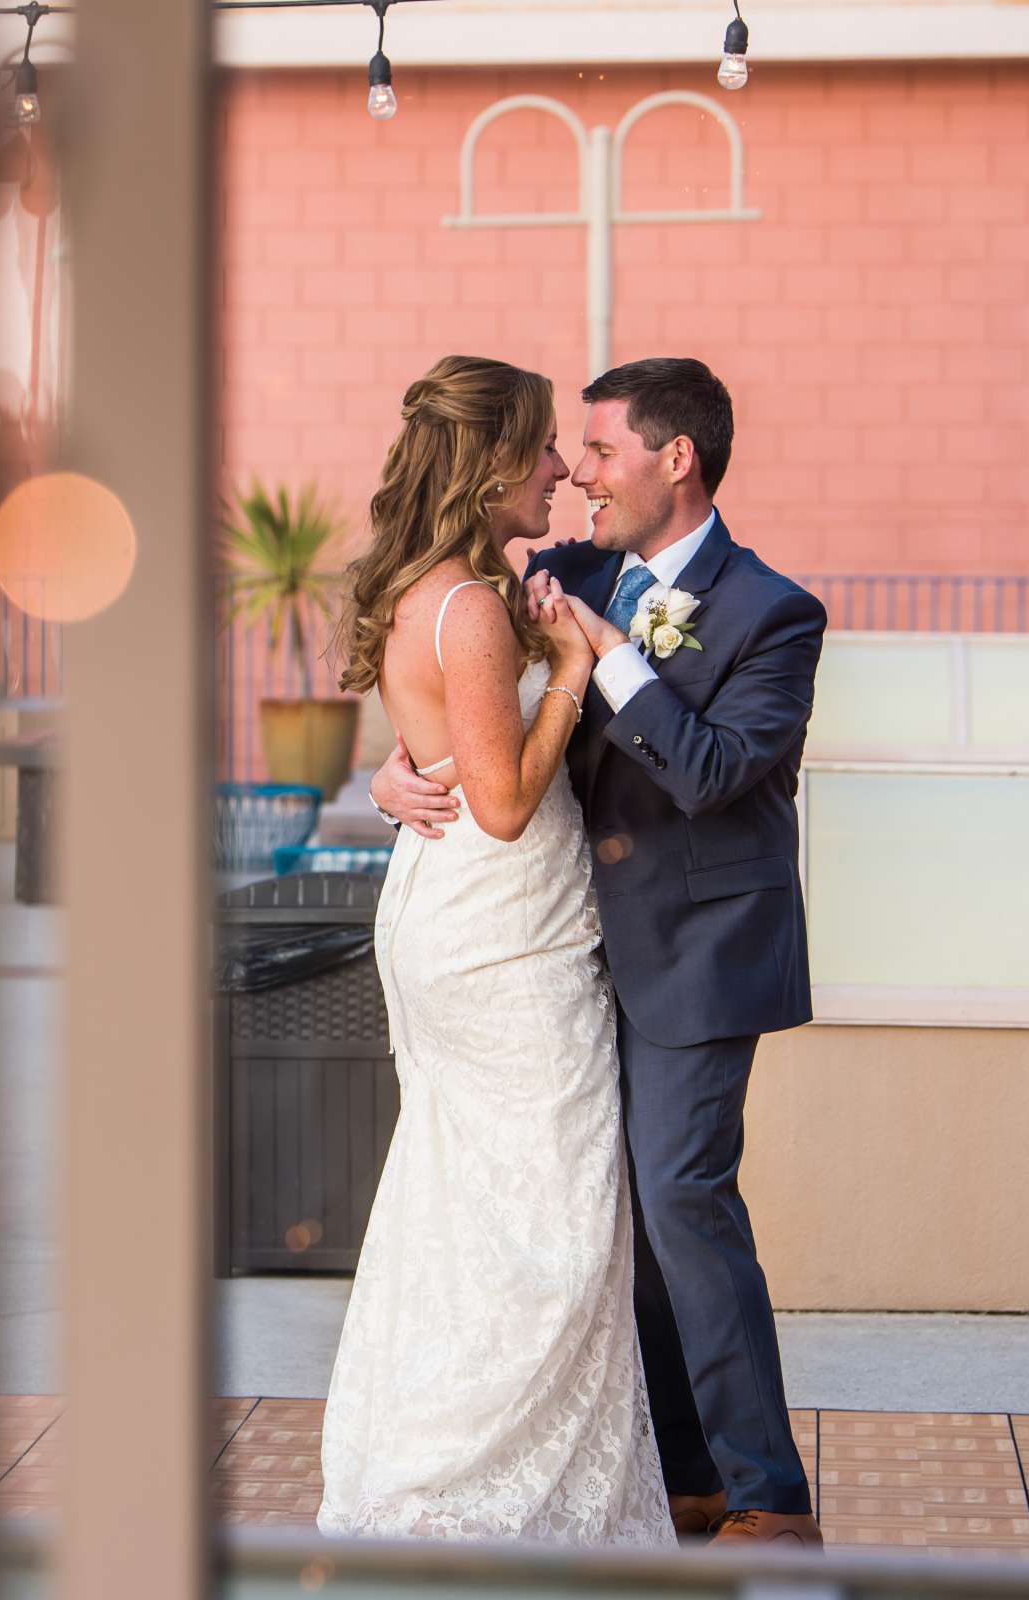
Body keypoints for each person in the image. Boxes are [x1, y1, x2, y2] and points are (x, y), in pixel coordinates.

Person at [368, 357, 826, 1548]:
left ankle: (770, 1491)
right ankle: (688, 1473)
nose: (578, 474)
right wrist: (399, 770)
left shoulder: (776, 612)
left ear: (677, 459)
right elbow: (452, 684)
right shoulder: (559, 573)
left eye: (605, 451)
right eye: (569, 450)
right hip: (550, 949)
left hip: (693, 949)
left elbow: (723, 771)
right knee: (604, 1210)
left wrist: (604, 660)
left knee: (679, 1194)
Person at [314, 355, 672, 1546]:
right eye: (545, 452)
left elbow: (445, 754)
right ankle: (470, 1484)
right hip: (500, 939)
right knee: (551, 1219)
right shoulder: (469, 609)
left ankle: (439, 1451)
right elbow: (508, 801)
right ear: (493, 466)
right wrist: (570, 672)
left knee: (463, 1200)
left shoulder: (438, 586)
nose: (564, 470)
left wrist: (401, 765)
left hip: (456, 917)